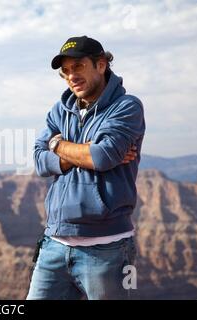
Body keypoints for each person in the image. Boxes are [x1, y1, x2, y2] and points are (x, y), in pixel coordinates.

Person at [27, 36, 145, 300]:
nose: (71, 76)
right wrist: (76, 149)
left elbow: (102, 157)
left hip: (108, 249)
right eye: (66, 71)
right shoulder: (60, 110)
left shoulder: (126, 107)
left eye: (78, 66)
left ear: (101, 65)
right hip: (54, 244)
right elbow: (38, 160)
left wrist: (56, 144)